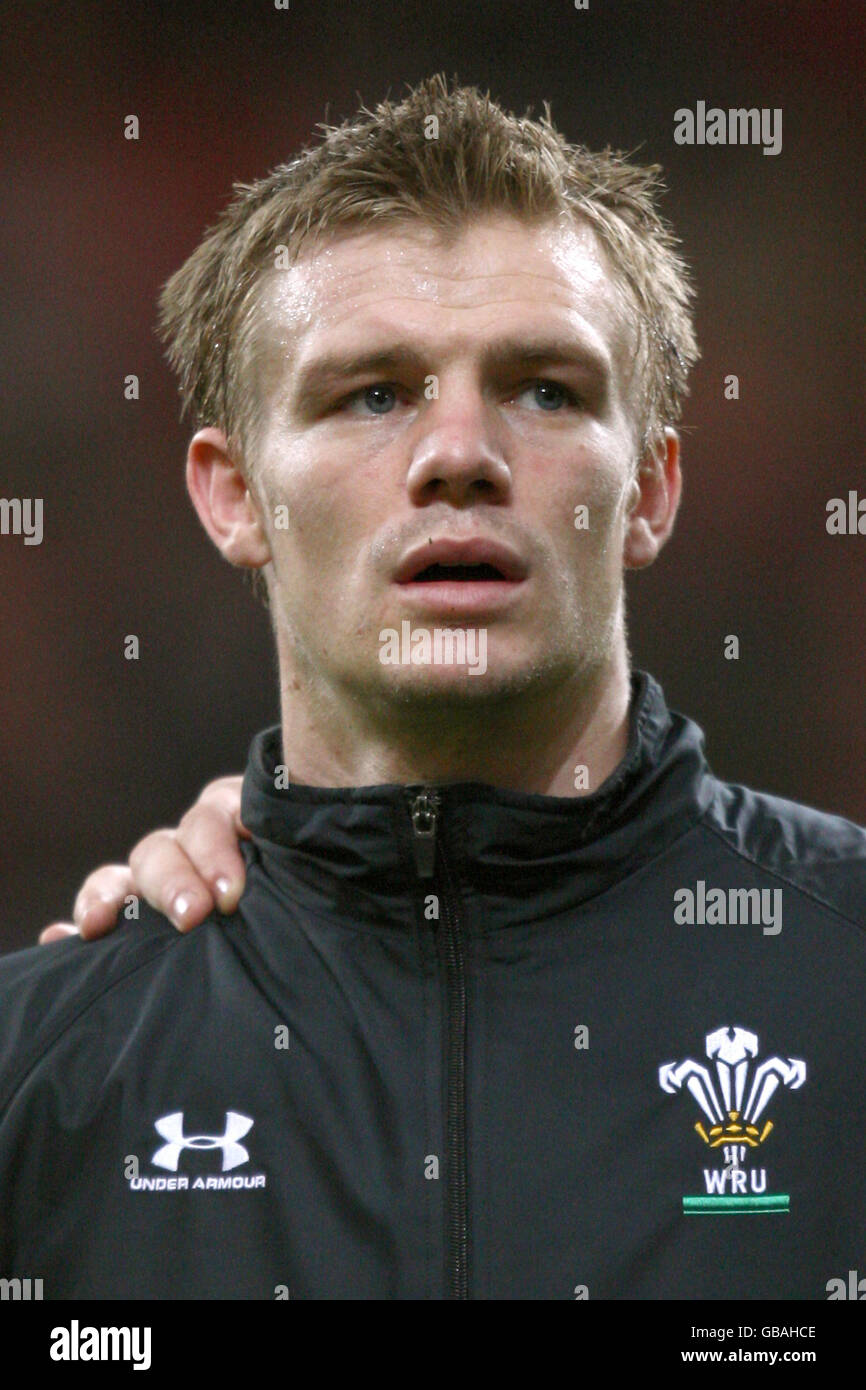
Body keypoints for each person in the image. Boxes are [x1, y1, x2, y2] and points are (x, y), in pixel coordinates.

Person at [5, 74, 866, 1301]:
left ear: (652, 490)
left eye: (543, 390)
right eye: (370, 394)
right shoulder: (48, 1069)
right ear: (233, 495)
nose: (458, 455)